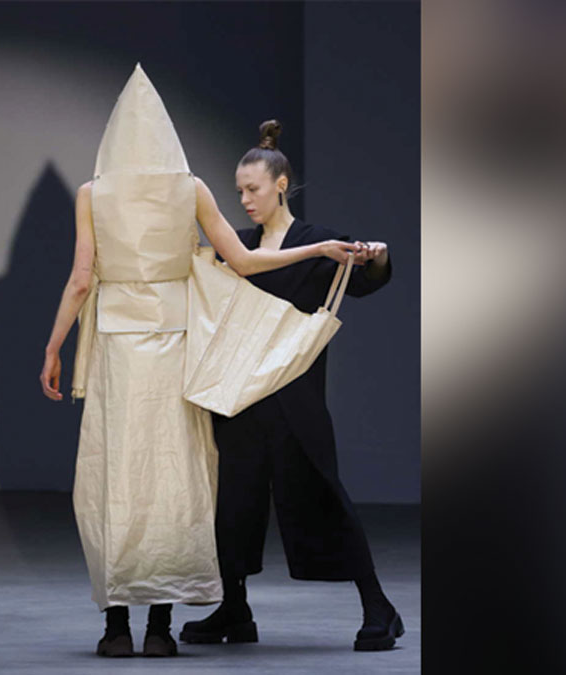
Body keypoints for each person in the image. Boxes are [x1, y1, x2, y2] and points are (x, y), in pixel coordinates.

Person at [39, 66, 359, 658]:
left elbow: (81, 279)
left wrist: (54, 346)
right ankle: (160, 627)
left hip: (117, 348)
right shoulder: (189, 189)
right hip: (175, 343)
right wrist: (316, 248)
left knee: (115, 473)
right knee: (174, 474)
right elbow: (242, 260)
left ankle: (116, 628)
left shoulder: (92, 194)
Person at [179, 120, 403, 652]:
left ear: (280, 185)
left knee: (322, 492)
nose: (244, 200)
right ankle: (234, 609)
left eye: (252, 189)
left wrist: (377, 256)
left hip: (295, 394)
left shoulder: (315, 242)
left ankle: (379, 606)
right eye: (239, 191)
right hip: (240, 395)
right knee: (234, 501)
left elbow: (365, 282)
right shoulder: (241, 247)